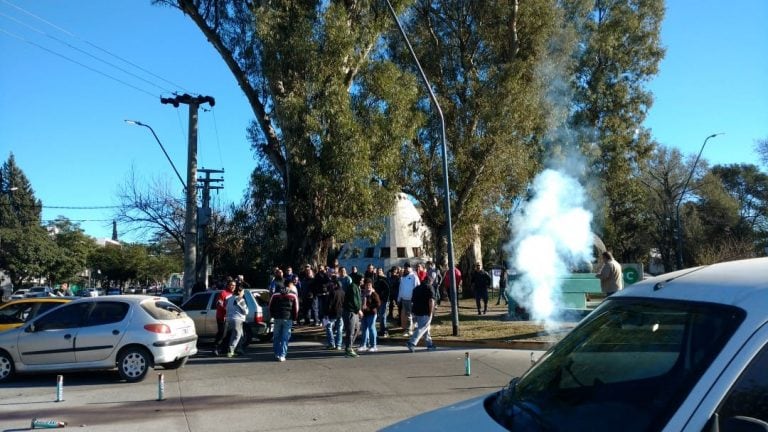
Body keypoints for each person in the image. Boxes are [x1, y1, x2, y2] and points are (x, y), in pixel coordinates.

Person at [268, 279, 300, 362]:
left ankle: (276, 353)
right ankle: (282, 355)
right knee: (285, 337)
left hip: (277, 317)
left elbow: (270, 306)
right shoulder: (293, 295)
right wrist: (295, 318)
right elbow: (296, 308)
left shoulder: (275, 294)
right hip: (288, 318)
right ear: (290, 285)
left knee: (276, 336)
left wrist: (272, 315)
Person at [407, 278, 437, 352]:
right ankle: (411, 342)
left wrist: (412, 311)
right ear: (430, 281)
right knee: (422, 327)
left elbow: (412, 301)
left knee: (425, 328)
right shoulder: (430, 287)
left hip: (416, 311)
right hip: (425, 311)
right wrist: (431, 311)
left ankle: (429, 344)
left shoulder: (416, 288)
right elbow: (431, 300)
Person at [342, 270, 363, 358]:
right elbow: (355, 300)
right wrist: (359, 310)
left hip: (355, 312)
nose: (363, 281)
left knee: (357, 329)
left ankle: (349, 346)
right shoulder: (353, 287)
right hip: (350, 312)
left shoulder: (357, 287)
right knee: (350, 330)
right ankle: (349, 348)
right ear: (358, 279)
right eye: (361, 279)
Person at [225, 285, 249, 357]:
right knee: (237, 335)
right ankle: (231, 352)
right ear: (239, 291)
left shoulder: (229, 298)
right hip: (237, 319)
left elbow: (227, 308)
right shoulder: (240, 299)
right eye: (243, 292)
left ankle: (239, 350)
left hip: (229, 318)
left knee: (235, 334)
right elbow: (246, 311)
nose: (243, 293)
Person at [213, 279, 235, 356]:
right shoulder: (224, 293)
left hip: (230, 317)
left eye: (234, 285)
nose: (233, 287)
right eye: (231, 285)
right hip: (222, 316)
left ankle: (224, 349)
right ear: (228, 285)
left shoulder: (234, 294)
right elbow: (219, 304)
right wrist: (226, 310)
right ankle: (215, 348)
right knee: (222, 333)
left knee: (229, 333)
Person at [359, 277, 381, 352]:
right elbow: (360, 302)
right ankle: (364, 345)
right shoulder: (363, 293)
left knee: (371, 328)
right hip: (364, 314)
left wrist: (369, 307)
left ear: (371, 285)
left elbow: (378, 304)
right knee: (364, 329)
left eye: (369, 285)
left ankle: (373, 346)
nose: (368, 286)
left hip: (372, 313)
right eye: (366, 285)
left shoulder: (374, 294)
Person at [398, 262, 419, 336]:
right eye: (405, 267)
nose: (406, 269)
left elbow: (417, 287)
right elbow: (401, 288)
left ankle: (411, 328)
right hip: (404, 299)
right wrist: (399, 298)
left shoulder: (414, 277)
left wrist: (415, 298)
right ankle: (409, 329)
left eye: (408, 267)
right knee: (408, 315)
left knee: (412, 314)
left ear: (411, 268)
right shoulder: (402, 277)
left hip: (412, 299)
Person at [324, 275, 345, 350]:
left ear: (336, 285)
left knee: (329, 328)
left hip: (332, 313)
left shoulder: (332, 292)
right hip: (341, 313)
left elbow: (329, 304)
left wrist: (326, 313)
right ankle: (338, 344)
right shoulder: (343, 292)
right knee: (339, 329)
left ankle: (331, 343)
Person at [373, 268, 391, 338]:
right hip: (379, 300)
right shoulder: (376, 280)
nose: (378, 272)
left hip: (384, 300)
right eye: (377, 271)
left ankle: (384, 331)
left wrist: (386, 299)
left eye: (379, 271)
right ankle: (381, 330)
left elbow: (388, 290)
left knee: (383, 315)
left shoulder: (385, 279)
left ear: (382, 272)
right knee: (380, 315)